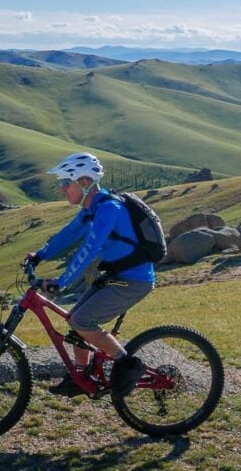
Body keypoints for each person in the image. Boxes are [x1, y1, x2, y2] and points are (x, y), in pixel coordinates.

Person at [25, 152, 155, 398]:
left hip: (134, 280)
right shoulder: (91, 209)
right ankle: (81, 375)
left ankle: (129, 365)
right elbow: (69, 233)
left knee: (81, 321)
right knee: (75, 319)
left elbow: (88, 249)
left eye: (66, 183)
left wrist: (61, 282)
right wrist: (40, 255)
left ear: (84, 182)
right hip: (117, 274)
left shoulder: (109, 210)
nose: (62, 189)